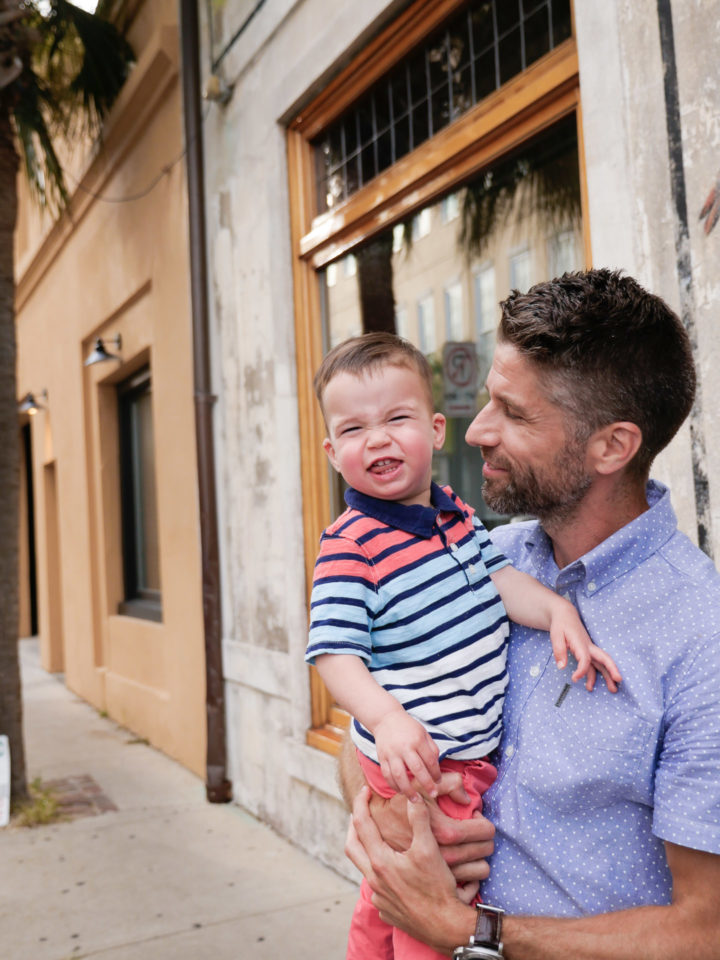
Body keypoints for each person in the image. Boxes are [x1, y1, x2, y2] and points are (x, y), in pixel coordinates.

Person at [343, 269, 720, 959]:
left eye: (513, 414)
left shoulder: (703, 635)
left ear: (612, 446)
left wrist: (471, 933)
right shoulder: (472, 555)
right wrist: (391, 819)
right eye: (489, 398)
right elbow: (363, 734)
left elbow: (707, 929)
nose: (477, 429)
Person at [306, 331, 620, 960]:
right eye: (354, 429)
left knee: (388, 890)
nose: (377, 439)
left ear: (436, 430)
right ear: (333, 452)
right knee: (434, 901)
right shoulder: (351, 545)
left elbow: (500, 582)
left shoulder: (457, 517)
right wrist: (387, 720)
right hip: (419, 765)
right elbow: (333, 654)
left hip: (458, 758)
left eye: (397, 418)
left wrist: (556, 606)